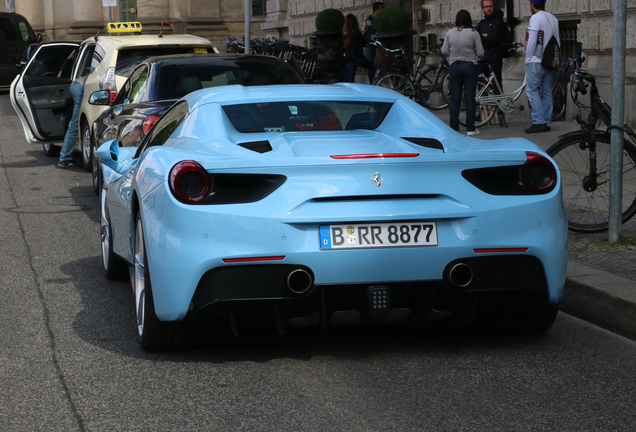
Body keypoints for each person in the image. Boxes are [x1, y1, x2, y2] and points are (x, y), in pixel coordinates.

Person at [441, 9, 484, 135]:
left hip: (454, 66)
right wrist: (473, 52)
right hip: (470, 66)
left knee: (455, 98)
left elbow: (443, 50)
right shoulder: (473, 33)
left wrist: (453, 51)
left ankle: (454, 127)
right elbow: (481, 53)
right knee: (470, 98)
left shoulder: (450, 32)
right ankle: (470, 128)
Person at [524, 0, 560, 134]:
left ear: (532, 3)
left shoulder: (535, 18)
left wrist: (528, 58)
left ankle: (539, 121)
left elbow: (532, 40)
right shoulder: (553, 19)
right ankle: (547, 121)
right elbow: (558, 41)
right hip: (549, 60)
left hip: (536, 60)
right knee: (546, 91)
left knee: (532, 90)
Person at [476, 0, 506, 91]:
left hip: (494, 58)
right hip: (482, 58)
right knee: (481, 84)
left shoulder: (498, 22)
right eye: (486, 7)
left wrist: (483, 36)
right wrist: (484, 36)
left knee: (496, 85)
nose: (488, 9)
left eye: (490, 6)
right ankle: (484, 104)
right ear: (482, 9)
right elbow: (476, 38)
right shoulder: (481, 23)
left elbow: (492, 39)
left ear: (494, 6)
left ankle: (498, 104)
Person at [58, 75, 86, 168]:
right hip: (81, 88)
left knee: (74, 123)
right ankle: (64, 158)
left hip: (77, 85)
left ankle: (65, 157)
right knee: (75, 123)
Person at [361, 2, 384, 83]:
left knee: (379, 67)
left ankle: (377, 83)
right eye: (382, 8)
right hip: (369, 46)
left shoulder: (381, 20)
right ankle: (372, 83)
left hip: (379, 46)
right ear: (376, 10)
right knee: (371, 67)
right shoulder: (368, 20)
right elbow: (363, 32)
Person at [343, 14, 366, 83]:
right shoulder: (356, 33)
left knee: (348, 77)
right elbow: (363, 43)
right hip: (353, 58)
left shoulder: (344, 34)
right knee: (351, 78)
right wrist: (363, 30)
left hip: (345, 57)